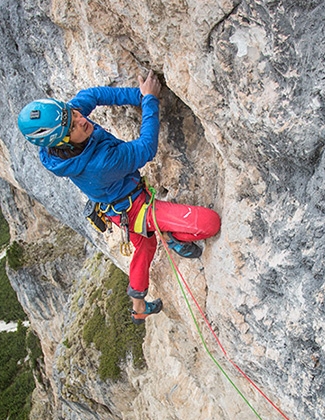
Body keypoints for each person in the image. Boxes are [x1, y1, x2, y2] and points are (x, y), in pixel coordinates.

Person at [17, 71, 220, 323]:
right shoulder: (100, 164)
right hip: (136, 210)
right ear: (63, 143)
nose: (81, 120)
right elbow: (146, 148)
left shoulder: (62, 129)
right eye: (72, 125)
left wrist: (138, 94)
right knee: (209, 223)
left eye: (75, 114)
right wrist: (149, 101)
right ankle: (172, 236)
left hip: (116, 208)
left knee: (145, 246)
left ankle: (138, 307)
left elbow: (93, 95)